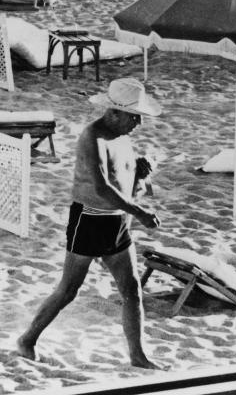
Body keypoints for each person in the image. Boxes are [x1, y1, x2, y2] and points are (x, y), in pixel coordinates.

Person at [17, 78, 163, 369]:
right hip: (89, 220)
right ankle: (27, 340)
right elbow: (101, 188)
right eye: (135, 117)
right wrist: (139, 213)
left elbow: (126, 187)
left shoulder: (122, 136)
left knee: (132, 290)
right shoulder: (92, 137)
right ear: (114, 113)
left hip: (115, 222)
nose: (138, 123)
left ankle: (138, 355)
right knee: (68, 290)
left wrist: (140, 176)